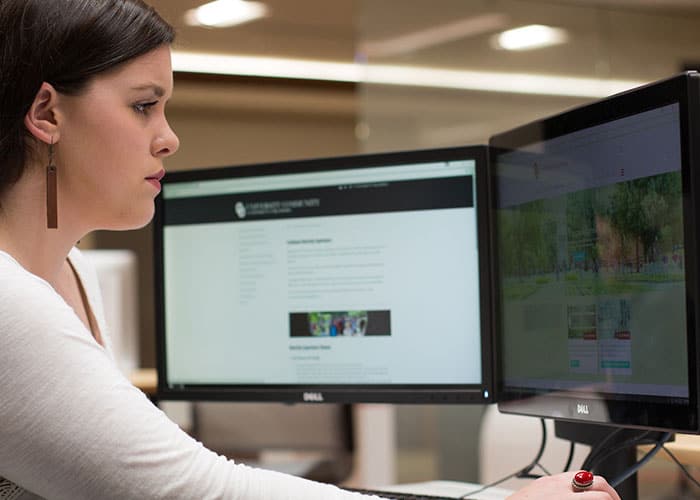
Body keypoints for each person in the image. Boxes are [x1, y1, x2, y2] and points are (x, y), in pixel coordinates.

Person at [0, 1, 622, 499]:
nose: (169, 138)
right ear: (47, 114)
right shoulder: (8, 300)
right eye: (144, 107)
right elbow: (190, 490)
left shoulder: (70, 271)